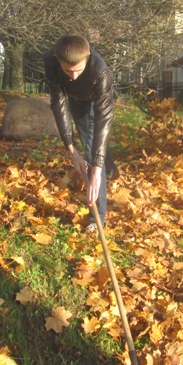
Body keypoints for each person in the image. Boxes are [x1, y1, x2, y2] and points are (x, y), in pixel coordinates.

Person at [43, 35, 117, 233]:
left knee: (93, 151)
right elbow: (58, 104)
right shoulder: (50, 61)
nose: (73, 77)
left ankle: (97, 218)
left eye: (79, 70)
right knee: (88, 145)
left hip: (96, 100)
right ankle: (109, 169)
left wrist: (96, 169)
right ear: (58, 60)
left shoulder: (101, 72)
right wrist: (72, 150)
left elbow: (103, 121)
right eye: (68, 71)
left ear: (88, 57)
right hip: (75, 101)